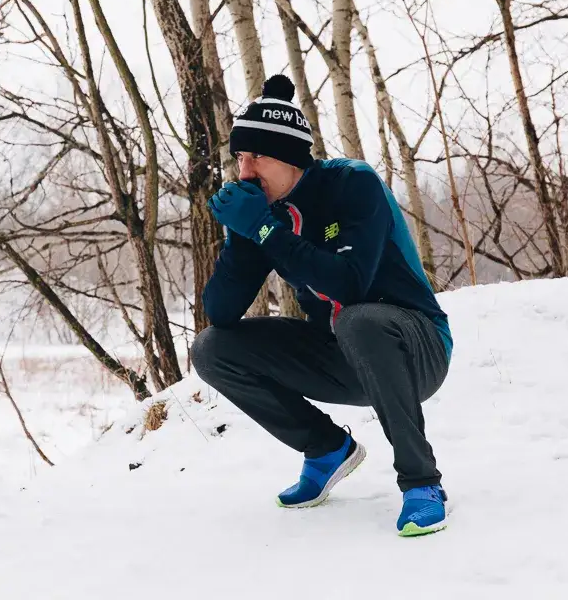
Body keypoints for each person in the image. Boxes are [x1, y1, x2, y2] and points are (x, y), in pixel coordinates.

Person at [191, 73, 454, 537]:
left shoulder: (352, 184)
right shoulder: (264, 212)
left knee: (358, 320)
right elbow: (222, 312)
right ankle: (327, 449)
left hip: (417, 348)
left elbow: (349, 284)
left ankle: (421, 483)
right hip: (339, 353)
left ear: (290, 157)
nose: (245, 172)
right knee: (212, 349)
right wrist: (241, 237)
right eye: (239, 158)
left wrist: (266, 230)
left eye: (256, 157)